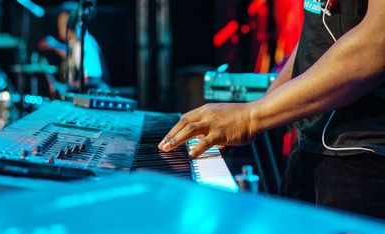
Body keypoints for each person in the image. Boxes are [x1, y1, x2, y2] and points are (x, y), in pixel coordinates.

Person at [159, 0, 385, 218]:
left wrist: (252, 117)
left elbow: (378, 41)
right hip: (313, 146)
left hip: (366, 156)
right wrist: (259, 107)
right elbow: (320, 35)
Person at [38, 1, 109, 93]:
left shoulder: (84, 44)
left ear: (73, 23)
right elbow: (69, 53)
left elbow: (93, 80)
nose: (60, 26)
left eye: (63, 23)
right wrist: (54, 46)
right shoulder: (75, 43)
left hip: (97, 99)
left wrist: (65, 88)